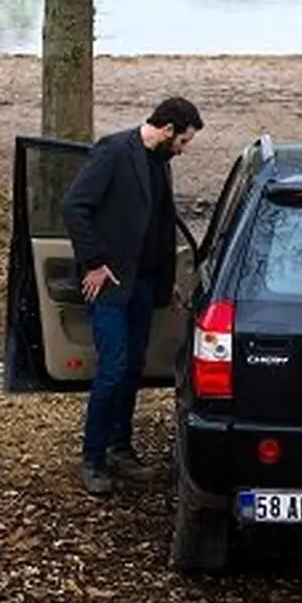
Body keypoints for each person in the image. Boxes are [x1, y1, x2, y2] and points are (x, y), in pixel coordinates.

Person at [62, 96, 204, 497]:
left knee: (133, 366)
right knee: (113, 365)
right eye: (183, 141)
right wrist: (93, 262)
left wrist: (168, 277)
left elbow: (159, 225)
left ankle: (121, 449)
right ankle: (92, 459)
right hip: (109, 283)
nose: (183, 150)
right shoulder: (114, 151)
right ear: (168, 129)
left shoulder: (160, 164)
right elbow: (74, 207)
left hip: (144, 283)